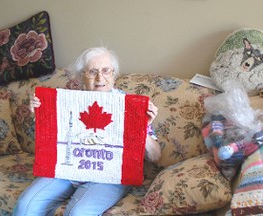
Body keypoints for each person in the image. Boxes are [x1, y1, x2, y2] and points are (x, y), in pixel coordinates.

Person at [13, 47, 161, 216]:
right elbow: (47, 147)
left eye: (106, 70)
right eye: (92, 71)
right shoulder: (66, 102)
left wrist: (141, 128)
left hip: (108, 174)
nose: (100, 78)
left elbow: (156, 156)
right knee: (26, 205)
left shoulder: (130, 106)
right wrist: (39, 115)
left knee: (78, 213)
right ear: (81, 76)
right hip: (68, 169)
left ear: (114, 75)